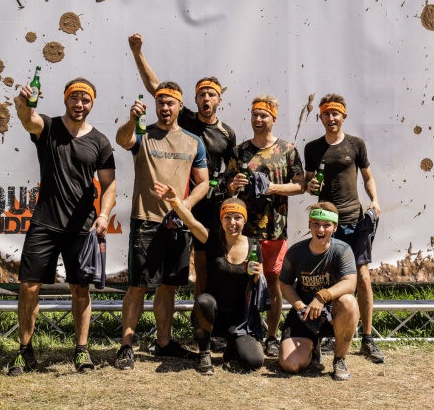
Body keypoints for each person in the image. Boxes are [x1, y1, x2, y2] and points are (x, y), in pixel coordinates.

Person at [9, 78, 117, 376]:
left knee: (80, 289)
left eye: (85, 99)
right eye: (74, 98)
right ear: (65, 99)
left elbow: (109, 184)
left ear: (92, 103)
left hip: (82, 228)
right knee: (29, 286)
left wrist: (104, 215)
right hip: (44, 222)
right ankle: (25, 351)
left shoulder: (100, 141)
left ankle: (81, 350)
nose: (79, 104)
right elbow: (27, 119)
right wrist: (24, 104)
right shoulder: (48, 127)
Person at [127, 33, 236, 297]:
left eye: (211, 94)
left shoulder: (227, 133)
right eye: (202, 94)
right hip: (177, 201)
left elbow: (232, 171)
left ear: (219, 100)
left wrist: (231, 191)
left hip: (209, 201)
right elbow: (156, 87)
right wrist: (138, 53)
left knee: (212, 263)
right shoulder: (183, 118)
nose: (206, 99)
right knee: (183, 269)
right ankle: (195, 314)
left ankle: (208, 314)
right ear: (194, 100)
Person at [114, 83, 209, 370]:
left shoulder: (194, 141)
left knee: (168, 286)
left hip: (177, 225)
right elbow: (122, 139)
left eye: (170, 103)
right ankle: (126, 346)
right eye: (160, 103)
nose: (165, 108)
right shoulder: (143, 134)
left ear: (180, 106)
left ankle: (164, 343)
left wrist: (184, 205)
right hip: (146, 220)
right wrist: (132, 119)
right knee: (138, 286)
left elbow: (203, 183)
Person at [303, 93, 384, 363]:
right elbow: (309, 182)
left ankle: (368, 339)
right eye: (326, 113)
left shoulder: (356, 144)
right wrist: (311, 185)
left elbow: (368, 177)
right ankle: (324, 337)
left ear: (344, 115)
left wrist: (375, 200)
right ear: (321, 117)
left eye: (335, 113)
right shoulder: (312, 148)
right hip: (325, 223)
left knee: (362, 278)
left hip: (353, 220)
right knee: (326, 280)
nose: (331, 118)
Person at [153, 181, 265, 375]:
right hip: (211, 312)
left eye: (237, 218)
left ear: (244, 220)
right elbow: (191, 222)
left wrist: (256, 276)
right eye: (227, 217)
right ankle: (204, 353)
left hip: (238, 321)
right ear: (221, 219)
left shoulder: (253, 246)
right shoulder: (212, 239)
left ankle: (232, 347)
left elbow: (260, 286)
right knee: (204, 301)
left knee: (253, 361)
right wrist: (175, 201)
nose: (232, 223)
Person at [226, 95, 304, 358]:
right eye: (255, 115)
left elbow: (300, 185)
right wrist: (233, 185)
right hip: (243, 232)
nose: (258, 120)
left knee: (273, 282)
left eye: (264, 116)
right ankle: (242, 333)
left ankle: (271, 336)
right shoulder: (239, 151)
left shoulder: (287, 150)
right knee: (242, 282)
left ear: (273, 119)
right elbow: (226, 186)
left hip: (274, 230)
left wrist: (272, 188)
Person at [278, 202, 359, 381]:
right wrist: (300, 306)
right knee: (290, 365)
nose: (320, 229)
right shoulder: (295, 252)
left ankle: (340, 359)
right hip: (305, 313)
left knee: (349, 302)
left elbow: (350, 283)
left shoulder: (342, 250)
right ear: (309, 225)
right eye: (316, 224)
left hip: (332, 313)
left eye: (326, 225)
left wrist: (322, 297)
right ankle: (313, 345)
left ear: (335, 227)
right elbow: (284, 284)